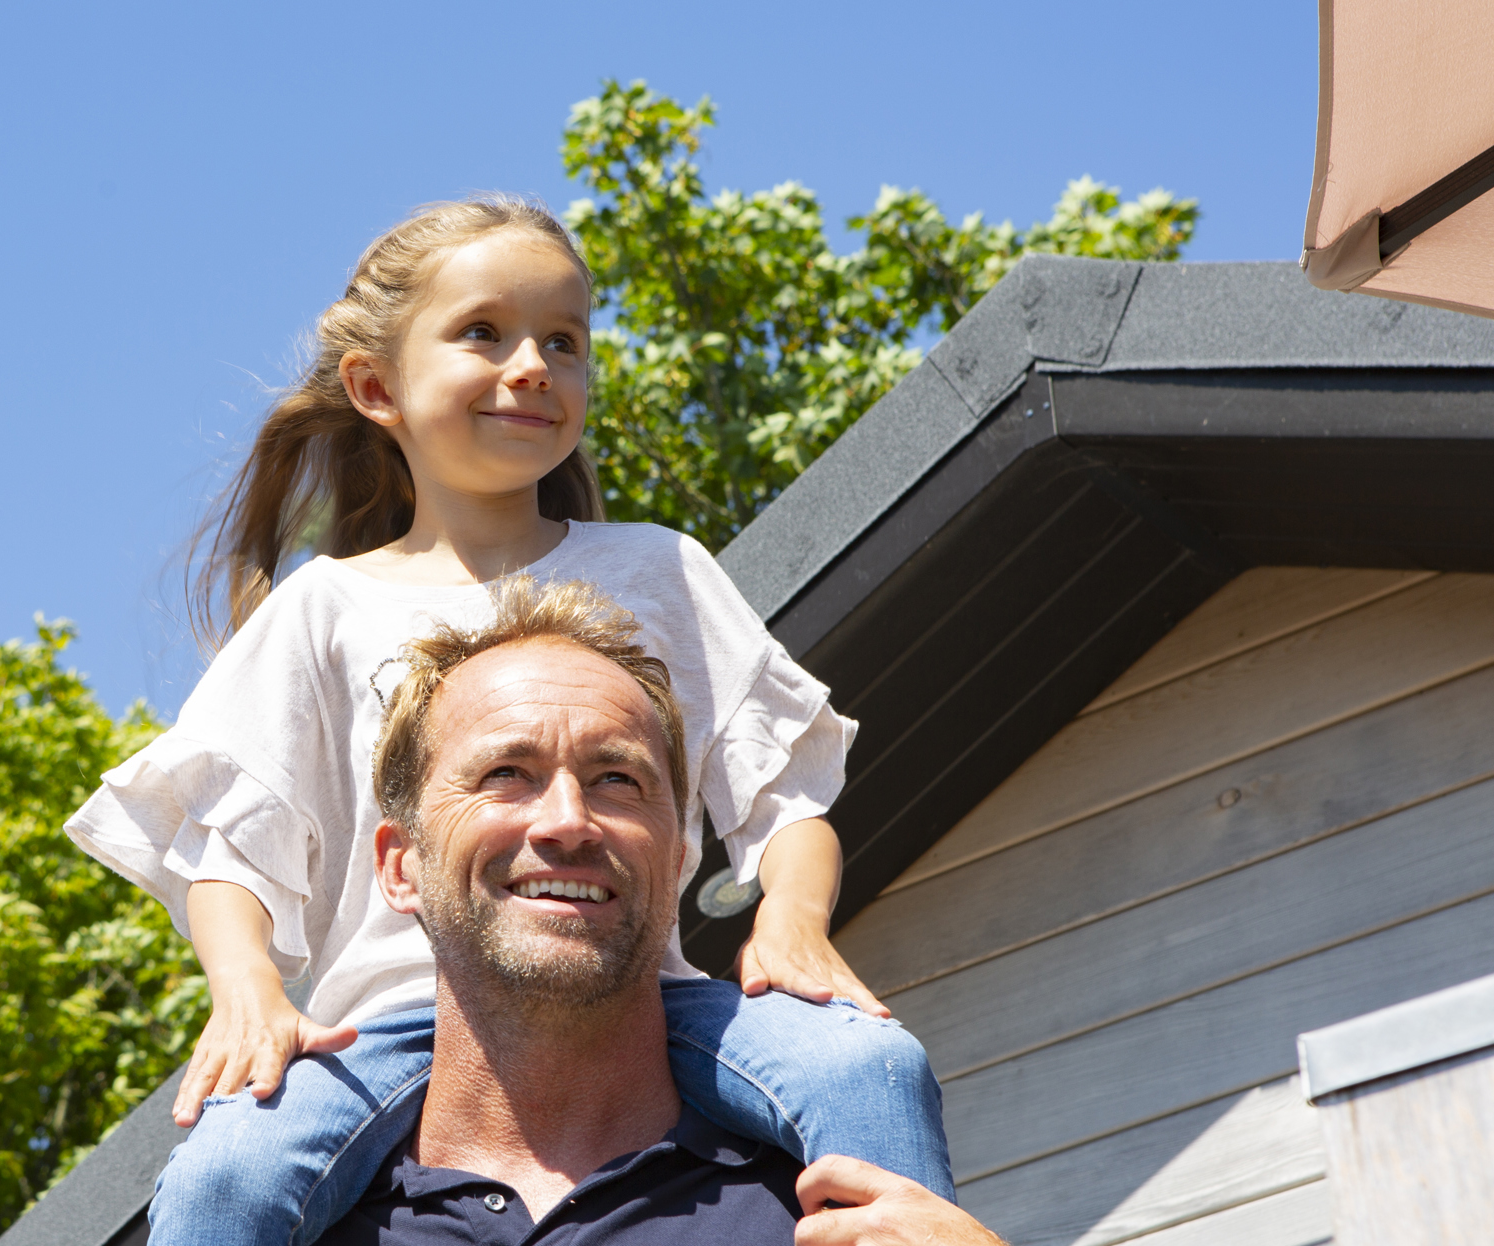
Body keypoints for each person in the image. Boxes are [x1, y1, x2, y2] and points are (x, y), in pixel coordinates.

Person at [63, 196, 951, 1246]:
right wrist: (249, 992)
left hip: (643, 999)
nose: (533, 364)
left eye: (563, 341)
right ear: (374, 386)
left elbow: (784, 790)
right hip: (389, 1024)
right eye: (483, 332)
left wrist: (791, 920)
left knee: (869, 1063)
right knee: (222, 1181)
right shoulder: (325, 606)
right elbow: (228, 851)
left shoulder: (654, 566)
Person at [317, 579, 1000, 1246]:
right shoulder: (289, 1217)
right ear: (399, 866)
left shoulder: (836, 1205)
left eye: (618, 779)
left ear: (677, 861)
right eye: (506, 773)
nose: (569, 822)